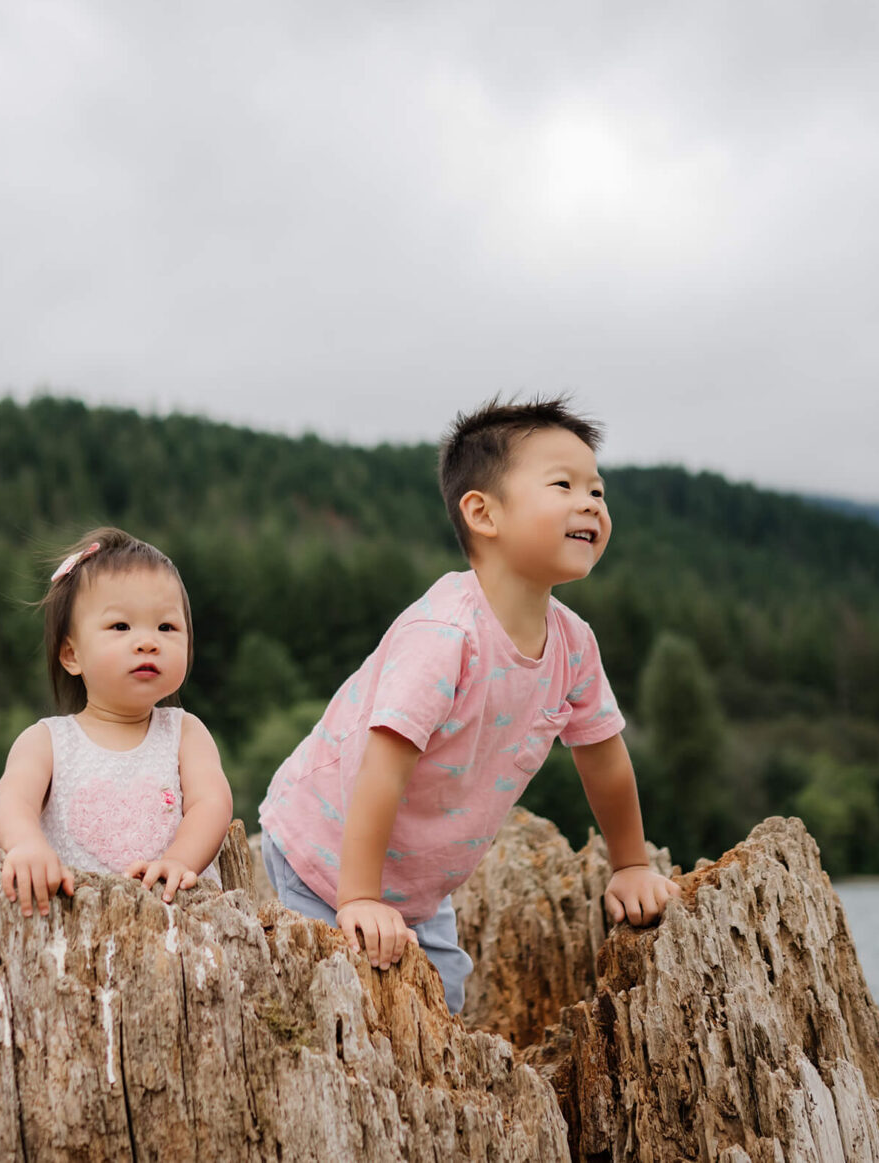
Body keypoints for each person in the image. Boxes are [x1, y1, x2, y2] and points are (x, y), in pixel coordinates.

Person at [258, 396, 682, 1014]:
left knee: (438, 1012)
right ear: (483, 513)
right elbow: (381, 766)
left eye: (598, 490)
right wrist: (359, 897)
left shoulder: (574, 644)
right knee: (337, 1006)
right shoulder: (445, 634)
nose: (591, 503)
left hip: (421, 882)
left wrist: (631, 864)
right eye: (563, 484)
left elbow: (604, 759)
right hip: (327, 851)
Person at [0, 527, 234, 915]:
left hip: (181, 924)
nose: (148, 642)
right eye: (121, 626)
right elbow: (12, 800)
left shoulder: (185, 733)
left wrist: (179, 860)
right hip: (76, 924)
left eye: (166, 627)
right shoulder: (47, 742)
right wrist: (26, 845)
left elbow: (212, 803)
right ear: (71, 655)